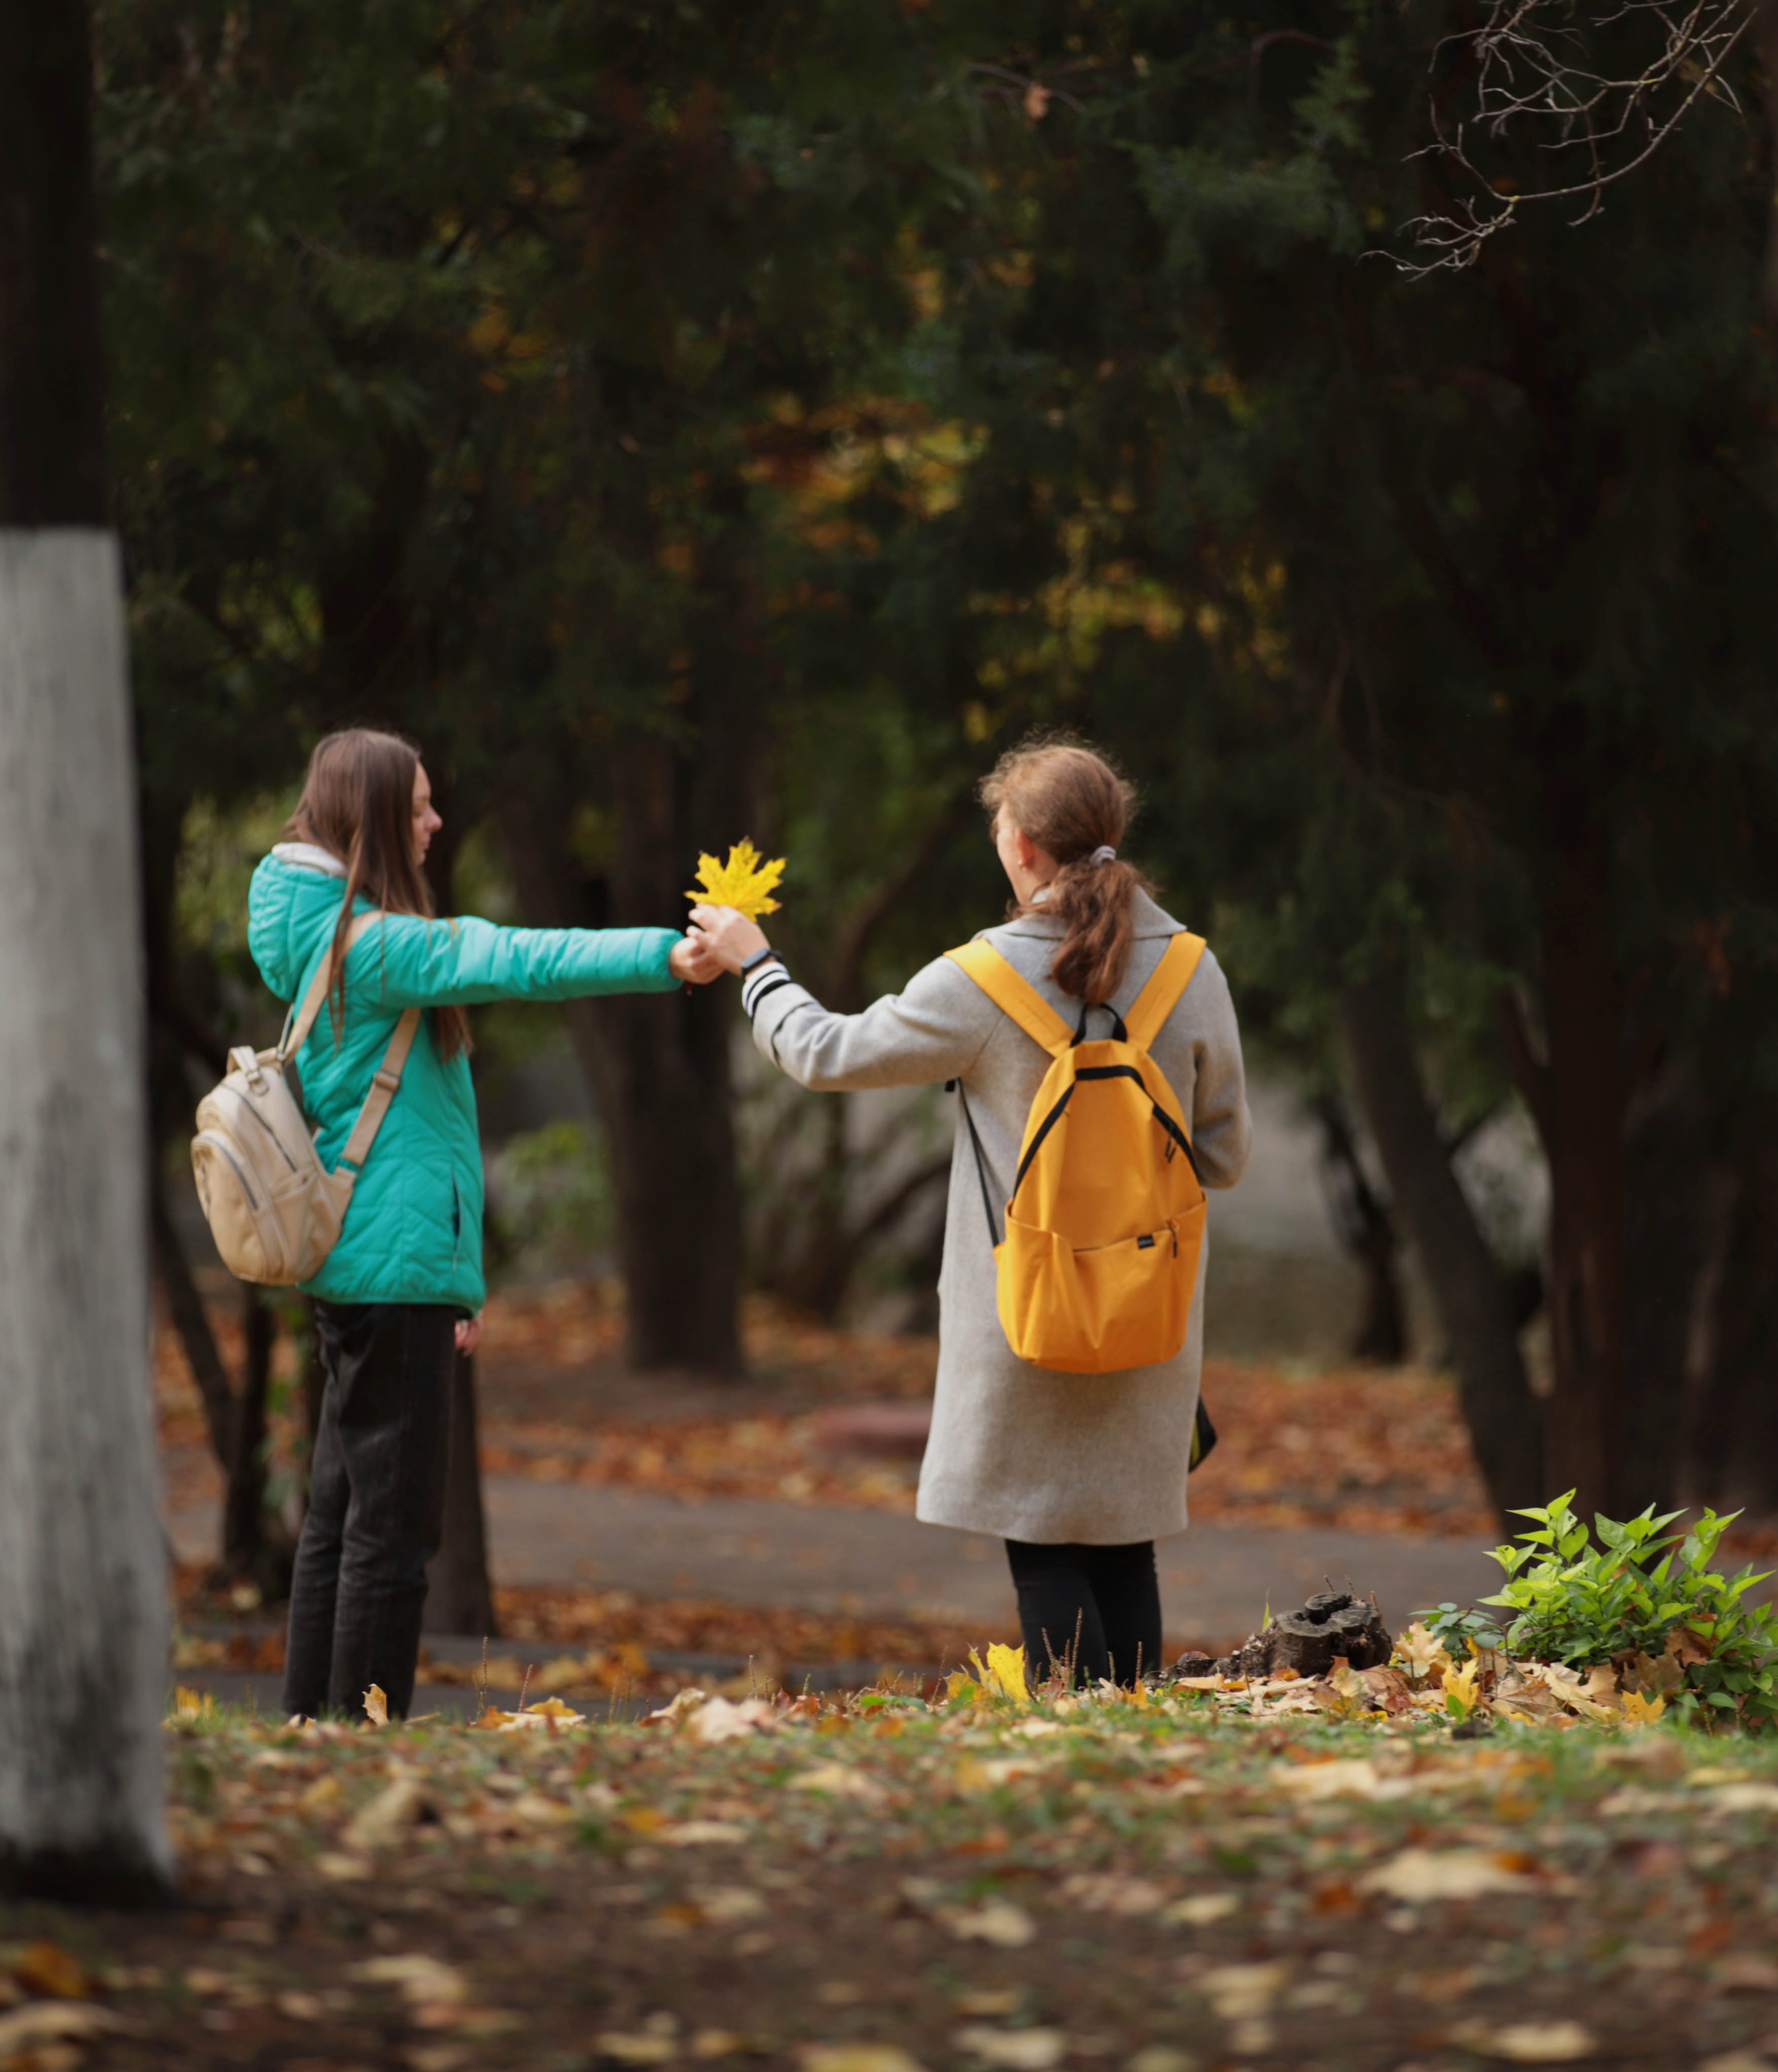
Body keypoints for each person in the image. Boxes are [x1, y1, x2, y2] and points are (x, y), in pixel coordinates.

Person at [689, 738, 1249, 1684]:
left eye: (999, 826)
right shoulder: (1193, 967)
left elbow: (824, 1052)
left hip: (1025, 1311)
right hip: (1149, 1306)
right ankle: (1138, 1748)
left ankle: (1073, 1745)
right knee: (1122, 1544)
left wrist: (756, 962)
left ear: (1024, 845)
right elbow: (1224, 1158)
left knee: (1042, 1544)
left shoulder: (986, 979)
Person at [253, 728, 724, 1721]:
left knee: (340, 1520)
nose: (433, 820)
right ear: (373, 817)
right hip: (393, 1274)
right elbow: (513, 955)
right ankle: (356, 1734)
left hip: (367, 1269)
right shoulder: (372, 946)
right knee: (390, 1535)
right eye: (418, 805)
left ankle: (312, 1728)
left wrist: (452, 1282)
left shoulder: (325, 934)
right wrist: (664, 955)